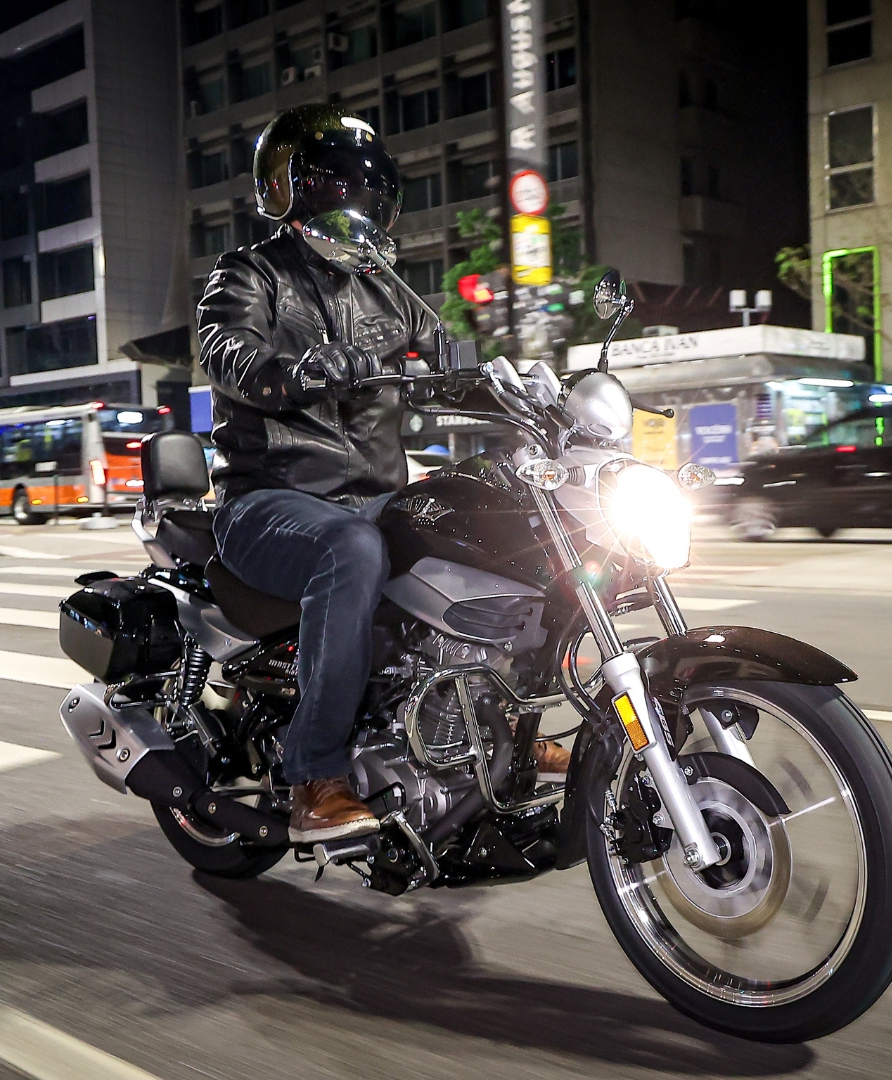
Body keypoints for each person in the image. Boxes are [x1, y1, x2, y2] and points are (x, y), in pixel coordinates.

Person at [197, 105, 566, 843]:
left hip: (374, 495)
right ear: (293, 190)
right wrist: (294, 369)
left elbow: (448, 358)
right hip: (270, 499)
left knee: (505, 529)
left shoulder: (386, 288)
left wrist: (524, 388)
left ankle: (501, 731)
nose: (351, 202)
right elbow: (225, 350)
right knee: (353, 551)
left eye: (362, 189)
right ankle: (314, 775)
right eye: (334, 184)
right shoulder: (252, 273)